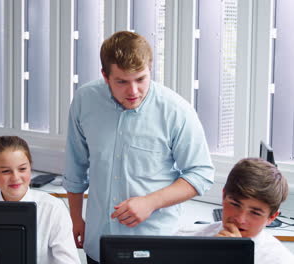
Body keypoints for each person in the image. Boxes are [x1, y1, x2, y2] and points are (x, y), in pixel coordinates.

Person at [63, 31, 215, 263]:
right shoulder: (85, 100)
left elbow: (201, 174)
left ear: (150, 69)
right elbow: (76, 166)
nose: (133, 91)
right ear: (105, 76)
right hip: (99, 243)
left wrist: (151, 202)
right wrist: (76, 218)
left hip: (155, 246)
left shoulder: (176, 111)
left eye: (141, 79)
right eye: (122, 81)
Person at [0, 136, 81, 264]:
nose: (15, 178)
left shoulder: (52, 209)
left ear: (30, 167)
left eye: (22, 169)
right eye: (6, 171)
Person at [176, 158, 294, 263]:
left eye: (255, 213)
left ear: (271, 217)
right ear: (223, 197)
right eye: (235, 204)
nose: (240, 219)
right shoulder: (184, 240)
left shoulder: (281, 260)